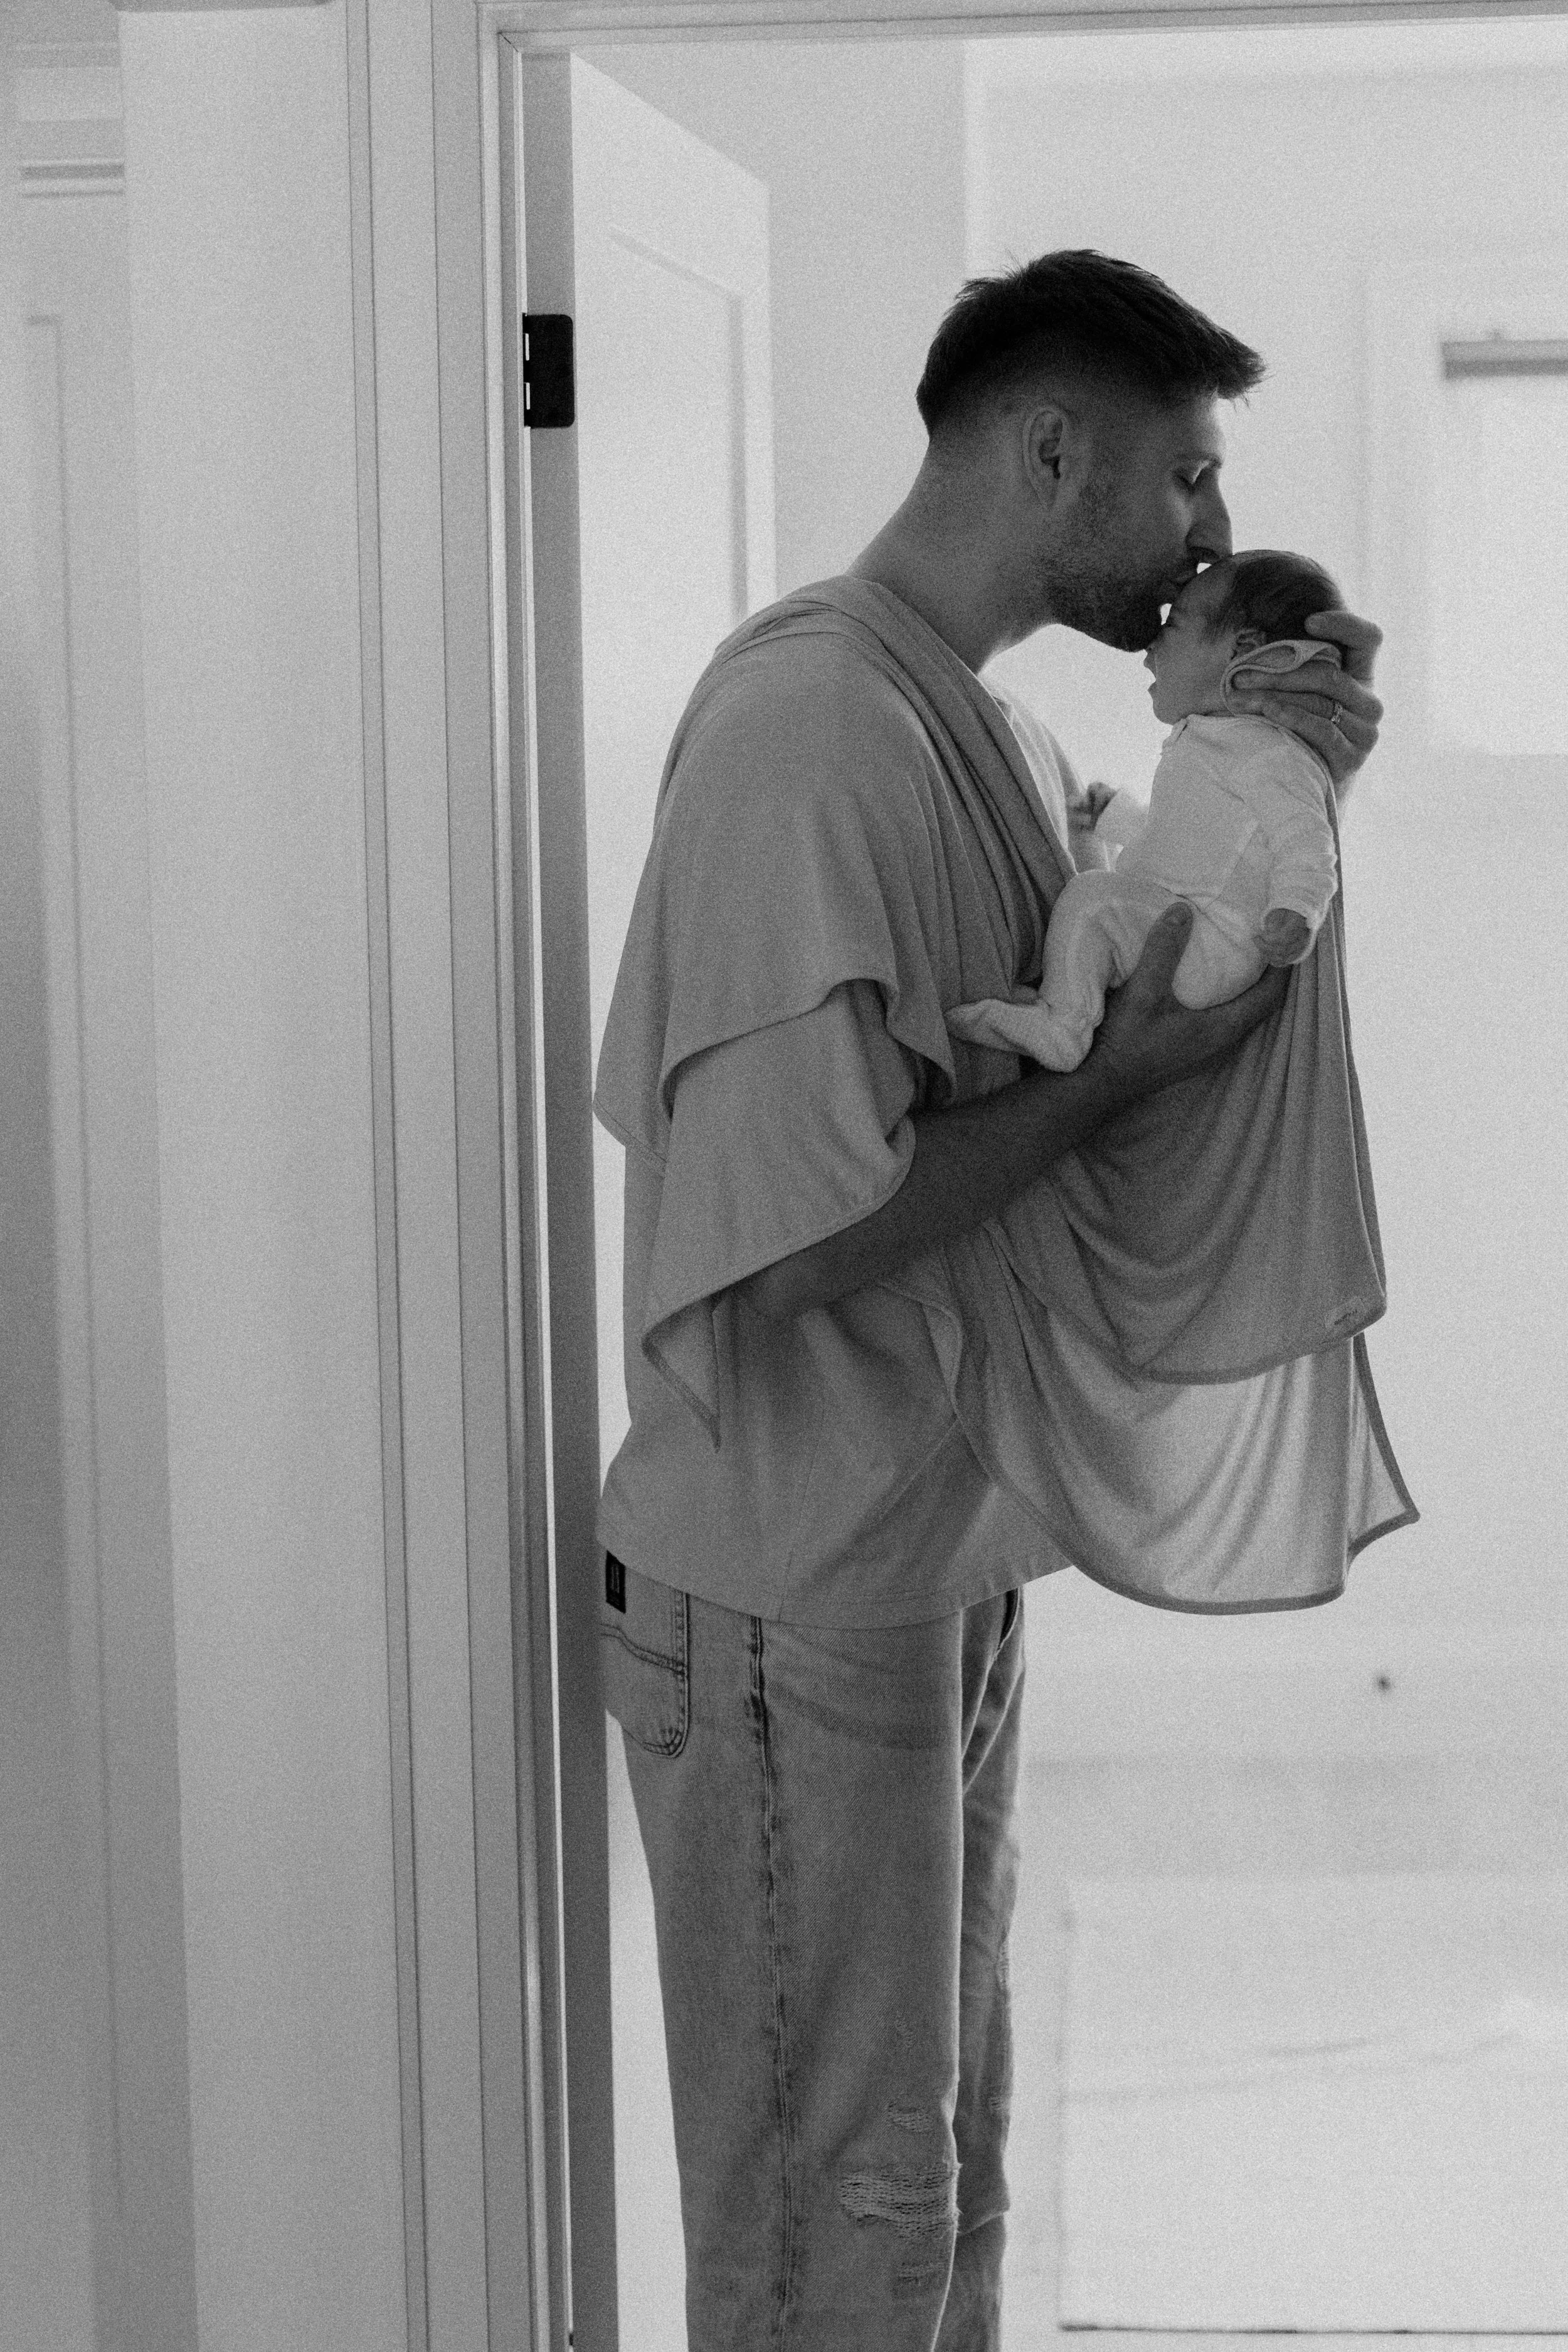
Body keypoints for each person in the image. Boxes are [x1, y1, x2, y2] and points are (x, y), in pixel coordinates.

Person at [593, 251, 1384, 2351]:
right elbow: (800, 1237)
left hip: (929, 1554)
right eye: (1189, 478)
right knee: (826, 2219)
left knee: (930, 2184)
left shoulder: (1000, 738)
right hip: (793, 1587)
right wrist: (1128, 1067)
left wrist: (1266, 804)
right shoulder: (806, 732)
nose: (1215, 534)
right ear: (1052, 452)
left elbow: (1054, 1046)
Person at [948, 550, 1348, 1070]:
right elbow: (1180, 841)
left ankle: (1063, 1026)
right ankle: (1068, 997)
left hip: (1214, 941)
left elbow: (1307, 840)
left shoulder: (1269, 753)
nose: (1149, 649)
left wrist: (1298, 908)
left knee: (1092, 899)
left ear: (1244, 651)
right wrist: (1116, 817)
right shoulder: (1214, 743)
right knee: (1102, 902)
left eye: (1175, 624)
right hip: (1189, 921)